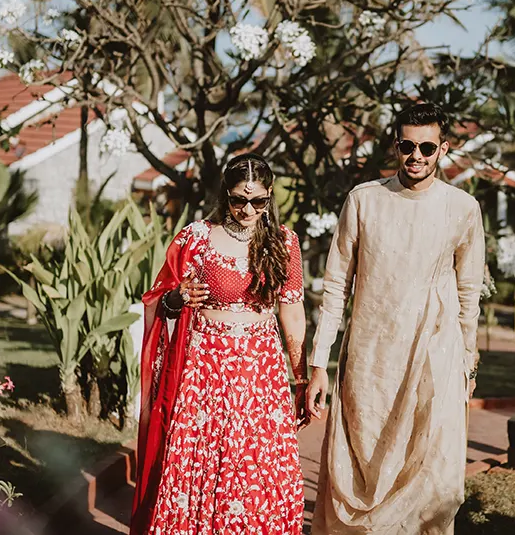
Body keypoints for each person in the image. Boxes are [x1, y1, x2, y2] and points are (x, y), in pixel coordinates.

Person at [306, 102, 485, 534]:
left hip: (435, 355)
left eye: (427, 146)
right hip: (371, 361)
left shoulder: (462, 207)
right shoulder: (364, 200)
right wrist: (318, 363)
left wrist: (467, 358)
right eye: (408, 145)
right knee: (365, 468)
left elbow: (468, 292)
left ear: (443, 148)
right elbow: (334, 288)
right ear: (395, 146)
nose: (416, 156)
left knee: (437, 480)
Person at [130, 153, 308, 534]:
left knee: (254, 464)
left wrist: (302, 378)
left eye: (258, 201)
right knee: (205, 462)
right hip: (207, 370)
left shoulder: (283, 242)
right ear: (225, 194)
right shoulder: (197, 238)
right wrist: (176, 300)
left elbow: (292, 314)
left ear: (270, 196)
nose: (247, 209)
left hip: (261, 373)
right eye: (238, 200)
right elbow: (160, 298)